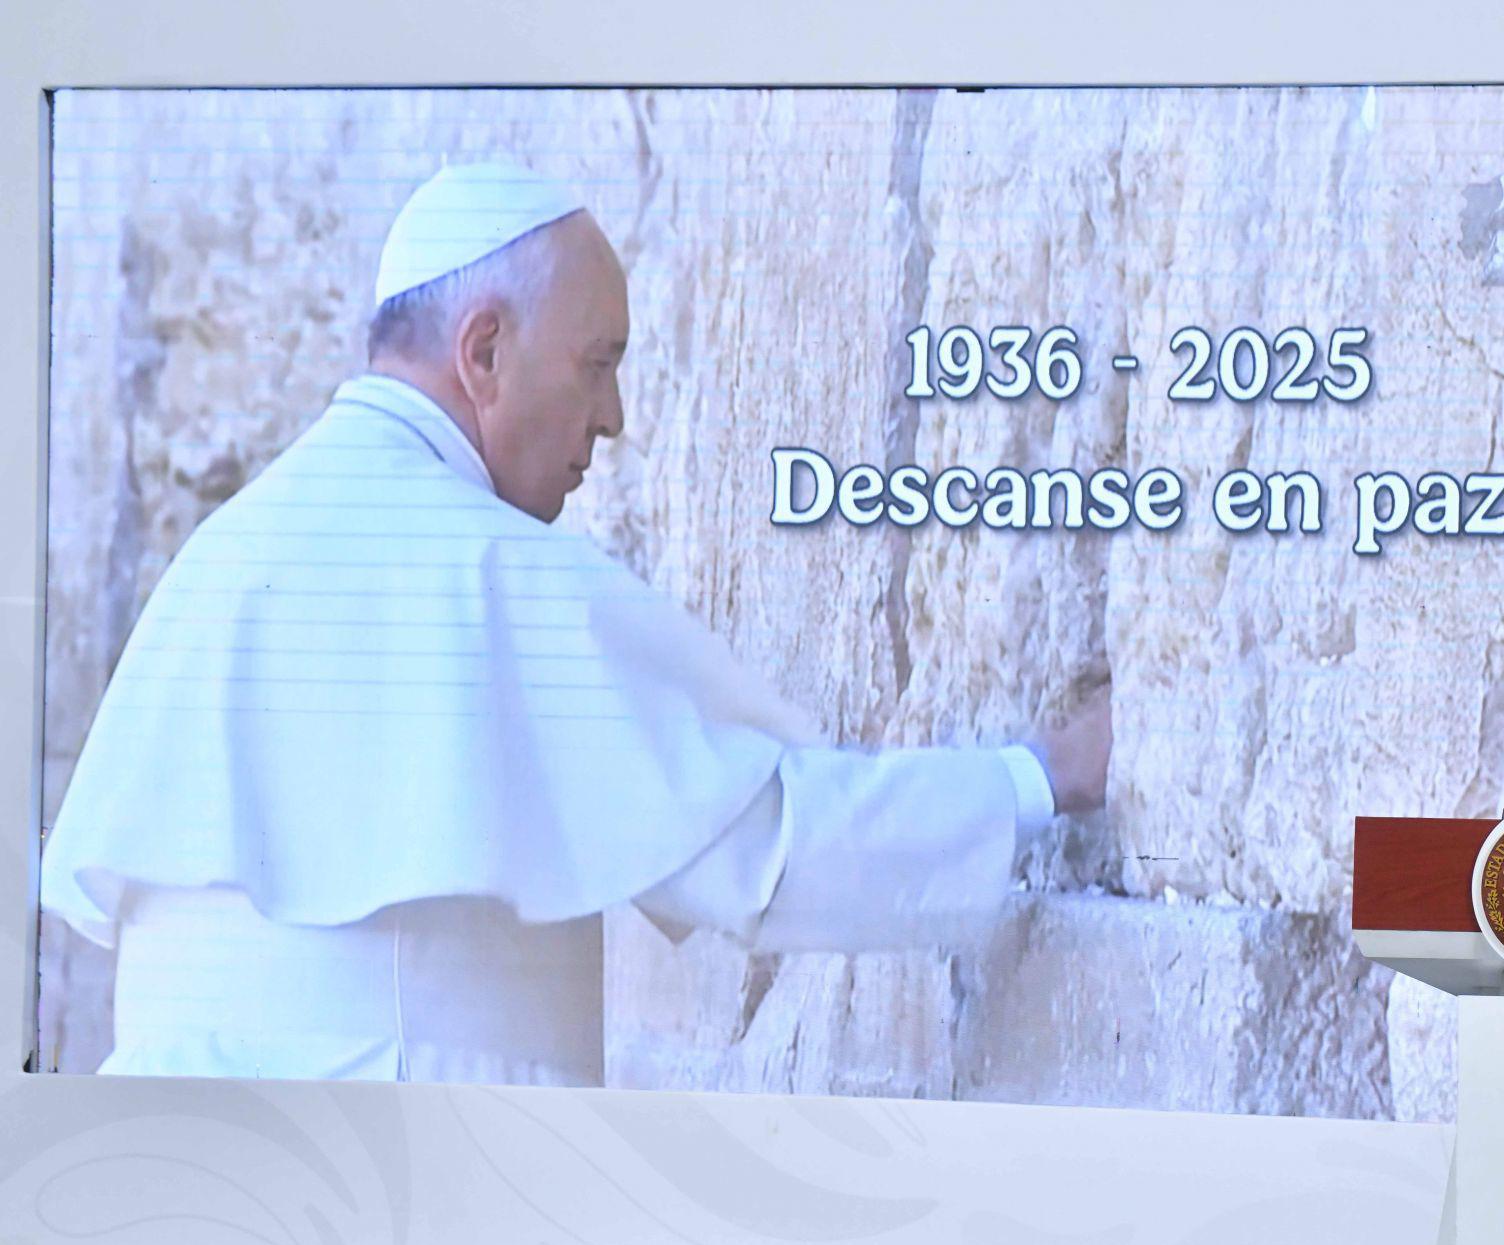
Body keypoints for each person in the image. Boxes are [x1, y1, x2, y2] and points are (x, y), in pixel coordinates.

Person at [39, 162, 1112, 1087]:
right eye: (598, 363)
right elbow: (767, 849)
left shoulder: (218, 557)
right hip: (403, 1163)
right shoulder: (491, 571)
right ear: (484, 351)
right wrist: (1042, 778)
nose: (614, 416)